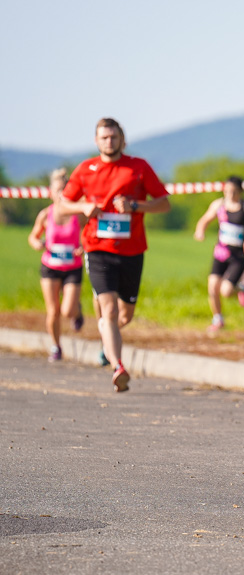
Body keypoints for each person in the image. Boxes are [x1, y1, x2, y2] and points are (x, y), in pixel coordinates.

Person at [59, 117, 171, 392]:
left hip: (132, 251)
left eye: (113, 137)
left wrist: (135, 206)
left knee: (124, 316)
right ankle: (118, 366)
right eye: (104, 137)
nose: (109, 142)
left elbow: (164, 204)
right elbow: (62, 206)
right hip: (97, 249)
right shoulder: (85, 169)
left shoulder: (138, 167)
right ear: (96, 141)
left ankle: (107, 342)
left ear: (122, 139)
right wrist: (83, 207)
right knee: (108, 309)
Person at [27, 168, 85, 361]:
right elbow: (33, 236)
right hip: (50, 266)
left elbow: (88, 233)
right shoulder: (45, 214)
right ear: (50, 192)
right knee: (53, 311)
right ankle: (56, 346)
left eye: (64, 190)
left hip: (72, 267)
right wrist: (38, 243)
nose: (61, 194)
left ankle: (77, 312)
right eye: (58, 189)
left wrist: (83, 246)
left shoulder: (78, 214)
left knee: (67, 310)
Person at [194, 175, 244, 331]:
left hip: (239, 255)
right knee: (212, 286)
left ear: (240, 192)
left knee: (225, 291)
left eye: (234, 192)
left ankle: (243, 288)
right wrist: (200, 231)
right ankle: (218, 319)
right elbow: (204, 220)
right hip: (221, 252)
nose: (230, 195)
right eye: (227, 191)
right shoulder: (218, 205)